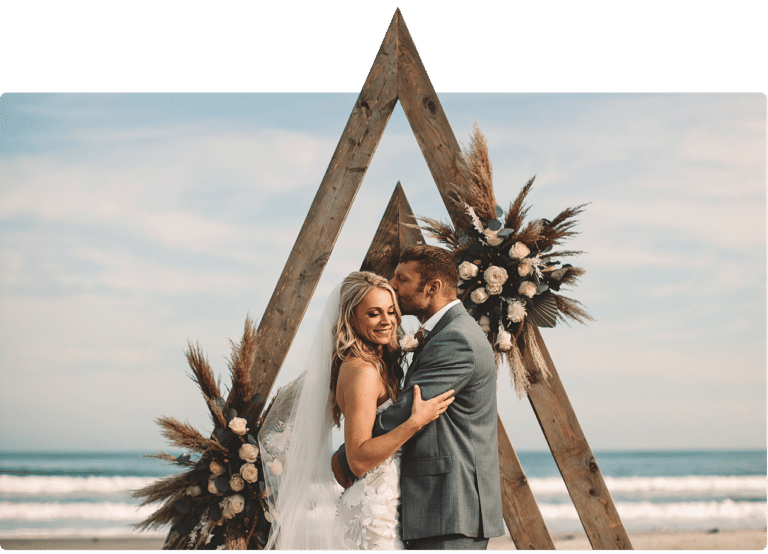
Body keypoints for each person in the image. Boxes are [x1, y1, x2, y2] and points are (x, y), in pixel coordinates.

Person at [258, 271, 454, 550]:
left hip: (388, 503)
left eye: (391, 311)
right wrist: (415, 422)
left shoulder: (374, 364)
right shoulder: (362, 371)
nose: (387, 321)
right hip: (374, 514)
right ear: (351, 318)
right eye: (374, 313)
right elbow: (359, 458)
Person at [333, 245, 505, 550]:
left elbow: (406, 411)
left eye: (402, 279)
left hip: (450, 505)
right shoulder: (443, 333)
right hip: (435, 507)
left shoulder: (456, 338)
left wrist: (349, 456)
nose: (393, 285)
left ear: (432, 287)